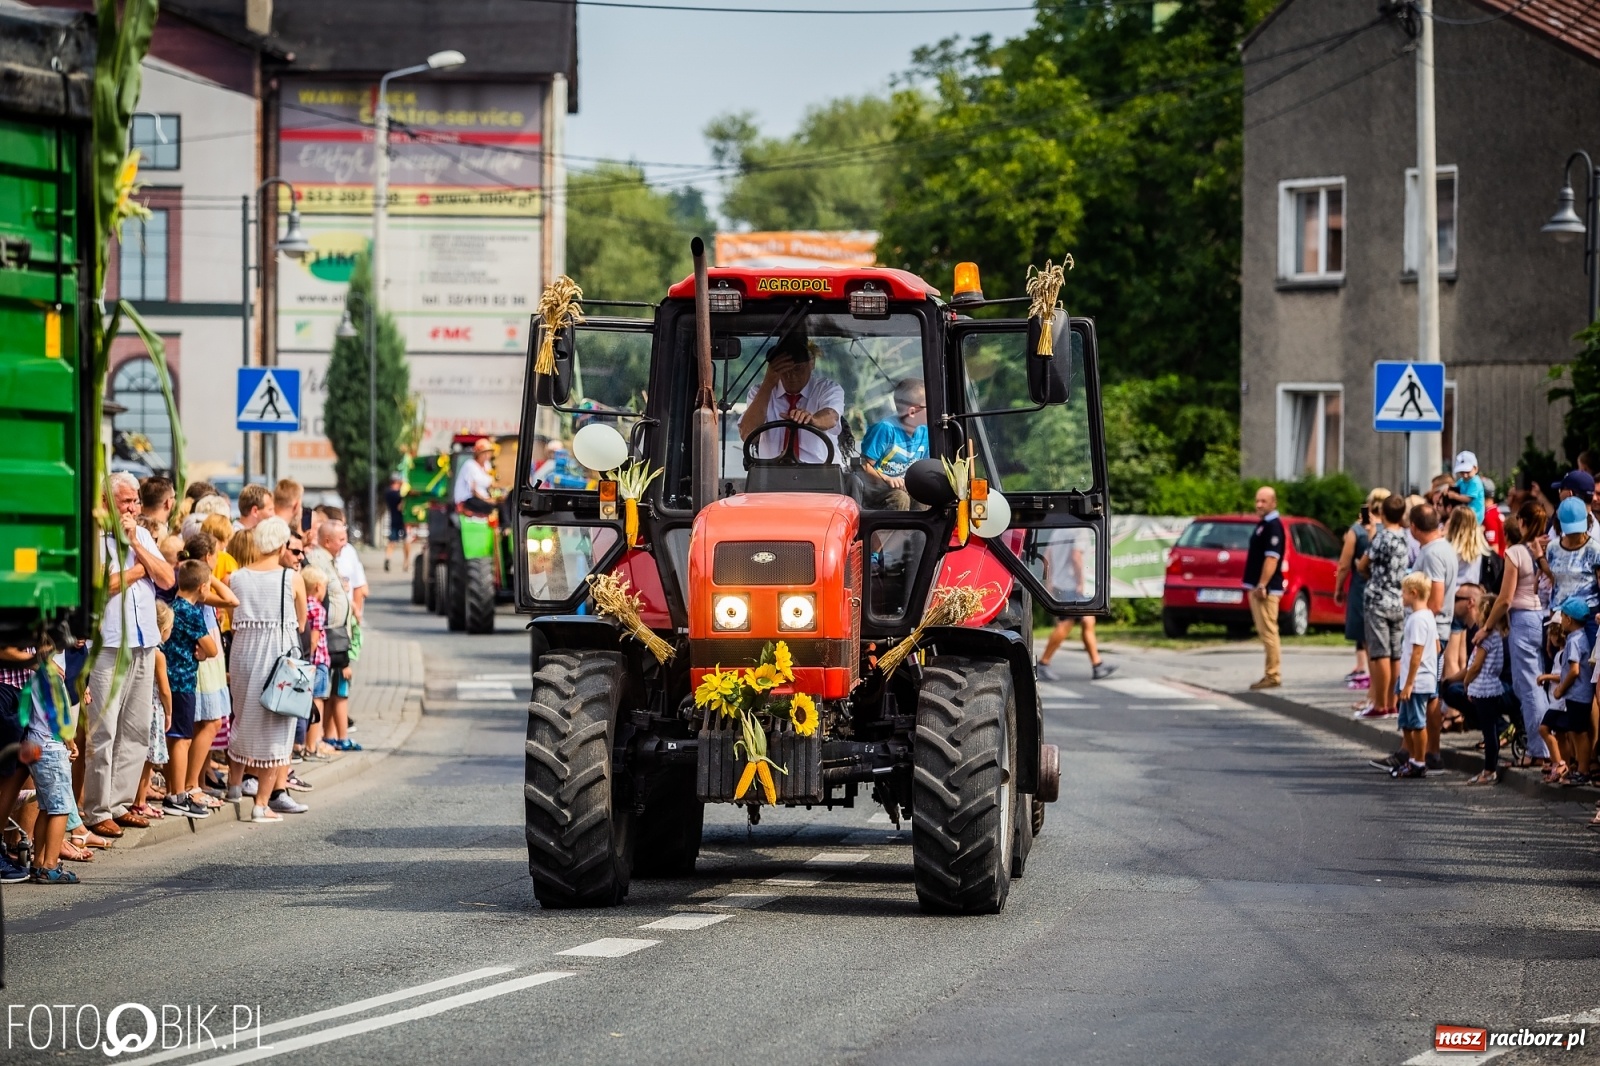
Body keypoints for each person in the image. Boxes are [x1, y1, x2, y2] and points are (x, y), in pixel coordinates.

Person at [82, 472, 175, 839]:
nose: (134, 507)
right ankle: (96, 809)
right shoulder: (96, 539)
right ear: (107, 502)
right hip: (108, 643)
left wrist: (137, 542)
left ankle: (120, 804)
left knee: (135, 728)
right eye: (127, 502)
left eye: (137, 500)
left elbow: (167, 578)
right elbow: (102, 586)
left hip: (144, 641)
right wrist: (140, 568)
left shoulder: (142, 536)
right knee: (103, 729)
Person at [225, 517, 308, 822]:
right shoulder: (291, 577)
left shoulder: (237, 577)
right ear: (282, 544)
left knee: (243, 715)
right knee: (278, 725)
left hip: (243, 651)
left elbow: (230, 616)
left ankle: (234, 786)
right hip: (278, 655)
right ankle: (261, 803)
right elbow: (300, 622)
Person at [1478, 502, 1551, 769]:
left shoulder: (1516, 552)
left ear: (1521, 522)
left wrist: (1486, 627)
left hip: (1522, 619)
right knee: (1538, 684)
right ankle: (1541, 744)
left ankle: (1538, 748)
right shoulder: (1543, 550)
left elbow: (1505, 598)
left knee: (1528, 688)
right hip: (1541, 617)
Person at [159, 560, 219, 819]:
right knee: (183, 738)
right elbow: (213, 648)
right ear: (203, 587)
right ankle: (178, 795)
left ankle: (173, 790)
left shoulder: (173, 605)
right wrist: (203, 654)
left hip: (167, 679)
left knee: (174, 738)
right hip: (183, 681)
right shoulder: (192, 612)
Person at [1440, 587, 1515, 786]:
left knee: (1489, 732)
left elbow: (1475, 666)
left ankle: (1489, 770)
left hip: (1484, 689)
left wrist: (1466, 683)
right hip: (1491, 686)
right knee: (1489, 730)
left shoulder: (1486, 639)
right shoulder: (1498, 635)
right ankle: (1489, 769)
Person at [739, 332, 846, 467]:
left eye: (798, 369)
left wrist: (812, 419)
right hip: (772, 476)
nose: (792, 376)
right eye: (784, 369)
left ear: (811, 363)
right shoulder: (759, 393)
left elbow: (831, 417)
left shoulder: (827, 389)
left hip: (820, 474)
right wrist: (768, 384)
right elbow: (747, 434)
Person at [1409, 503, 1458, 771]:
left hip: (1431, 631)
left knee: (1424, 692)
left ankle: (1425, 751)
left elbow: (1436, 600)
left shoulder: (1432, 554)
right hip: (1437, 629)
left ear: (1414, 527)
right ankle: (1422, 750)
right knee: (1428, 692)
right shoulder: (1444, 548)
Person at [1357, 492, 1410, 719]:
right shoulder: (1406, 536)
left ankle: (1380, 704)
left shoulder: (1382, 537)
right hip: (1398, 599)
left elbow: (1363, 564)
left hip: (1378, 599)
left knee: (1380, 654)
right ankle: (1394, 701)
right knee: (1396, 654)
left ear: (1383, 513)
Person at [1036, 528, 1115, 681]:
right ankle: (1043, 663)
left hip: (1060, 583)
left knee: (1088, 620)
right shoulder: (1080, 530)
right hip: (1072, 585)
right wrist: (1080, 583)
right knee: (1066, 623)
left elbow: (1047, 555)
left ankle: (1097, 664)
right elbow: (1076, 556)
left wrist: (1050, 580)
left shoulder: (1059, 531)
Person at [1336, 488, 1390, 693]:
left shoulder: (1358, 530)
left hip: (1363, 589)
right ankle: (1385, 695)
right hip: (1392, 593)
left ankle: (1376, 694)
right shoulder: (1395, 530)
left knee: (1370, 642)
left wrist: (1338, 588)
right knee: (1389, 647)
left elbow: (1344, 564)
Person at [1537, 597, 1594, 785]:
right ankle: (1578, 767)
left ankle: (1583, 770)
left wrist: (1561, 689)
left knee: (1580, 732)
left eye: (1562, 617)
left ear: (1569, 619)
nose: (1560, 620)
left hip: (1578, 694)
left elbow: (1574, 670)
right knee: (1575, 731)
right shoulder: (1579, 637)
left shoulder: (1574, 641)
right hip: (1578, 694)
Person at [1392, 572, 1439, 779]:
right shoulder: (1427, 615)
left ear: (1413, 593)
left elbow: (1417, 653)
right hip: (1415, 678)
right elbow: (1436, 647)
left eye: (1403, 593)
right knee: (1406, 721)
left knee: (1417, 722)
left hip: (1417, 681)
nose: (1401, 596)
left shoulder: (1418, 619)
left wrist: (1409, 683)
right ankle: (1412, 759)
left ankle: (1419, 761)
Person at [859, 379, 929, 510]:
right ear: (912, 412)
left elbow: (924, 467)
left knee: (926, 497)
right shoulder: (885, 429)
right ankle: (884, 531)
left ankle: (919, 531)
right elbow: (864, 464)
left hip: (907, 488)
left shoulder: (925, 432)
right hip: (878, 491)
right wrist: (887, 479)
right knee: (900, 498)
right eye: (928, 406)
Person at [1243, 485, 1286, 690]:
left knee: (1269, 632)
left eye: (1264, 501)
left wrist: (1262, 584)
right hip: (1258, 586)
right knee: (1264, 632)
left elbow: (1271, 558)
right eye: (1257, 500)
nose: (1259, 505)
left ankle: (1273, 674)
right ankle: (1270, 672)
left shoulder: (1273, 527)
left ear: (1273, 503)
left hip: (1265, 589)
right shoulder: (1264, 524)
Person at [453, 439, 498, 517]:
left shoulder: (487, 465)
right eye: (484, 453)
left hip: (482, 497)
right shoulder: (470, 465)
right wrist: (486, 500)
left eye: (488, 453)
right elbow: (473, 490)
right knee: (489, 507)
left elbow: (490, 484)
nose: (487, 456)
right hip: (468, 499)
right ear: (478, 454)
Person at [1443, 451, 1485, 521]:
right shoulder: (1462, 481)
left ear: (1476, 469)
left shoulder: (1475, 482)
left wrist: (1454, 496)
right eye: (1462, 472)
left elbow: (1468, 499)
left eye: (1468, 472)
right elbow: (1455, 487)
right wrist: (1448, 489)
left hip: (1475, 516)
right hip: (1466, 515)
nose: (1465, 475)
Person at [383, 474, 408, 572]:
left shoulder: (387, 492)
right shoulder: (398, 493)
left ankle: (388, 558)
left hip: (394, 519)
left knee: (392, 541)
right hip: (403, 519)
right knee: (406, 540)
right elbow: (401, 501)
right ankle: (406, 562)